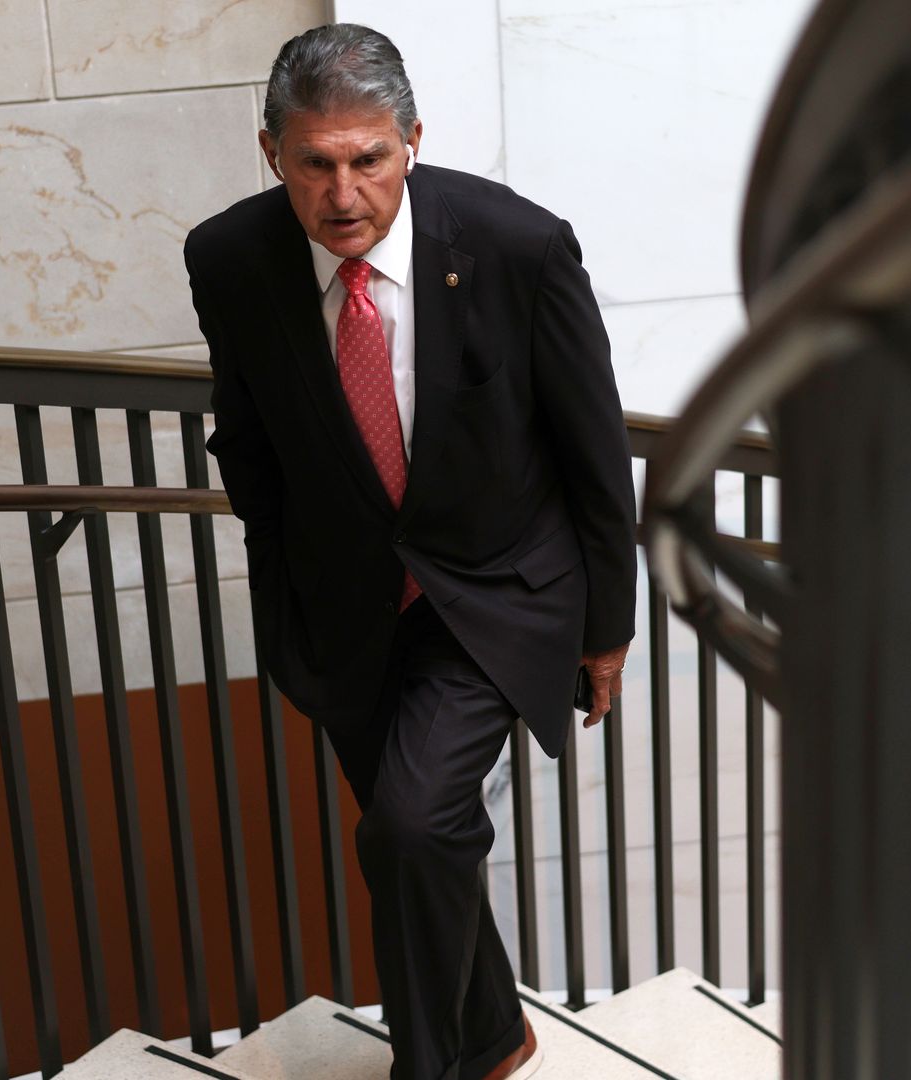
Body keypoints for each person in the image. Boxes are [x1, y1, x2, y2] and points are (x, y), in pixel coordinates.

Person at [184, 23, 635, 1080]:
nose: (344, 193)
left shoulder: (518, 247)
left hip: (494, 594)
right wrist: (289, 579)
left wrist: (606, 628)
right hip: (345, 608)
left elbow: (596, 454)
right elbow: (245, 436)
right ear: (272, 154)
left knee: (408, 826)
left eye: (369, 159)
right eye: (316, 163)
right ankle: (495, 1034)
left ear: (412, 142)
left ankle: (433, 1067)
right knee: (416, 842)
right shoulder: (231, 259)